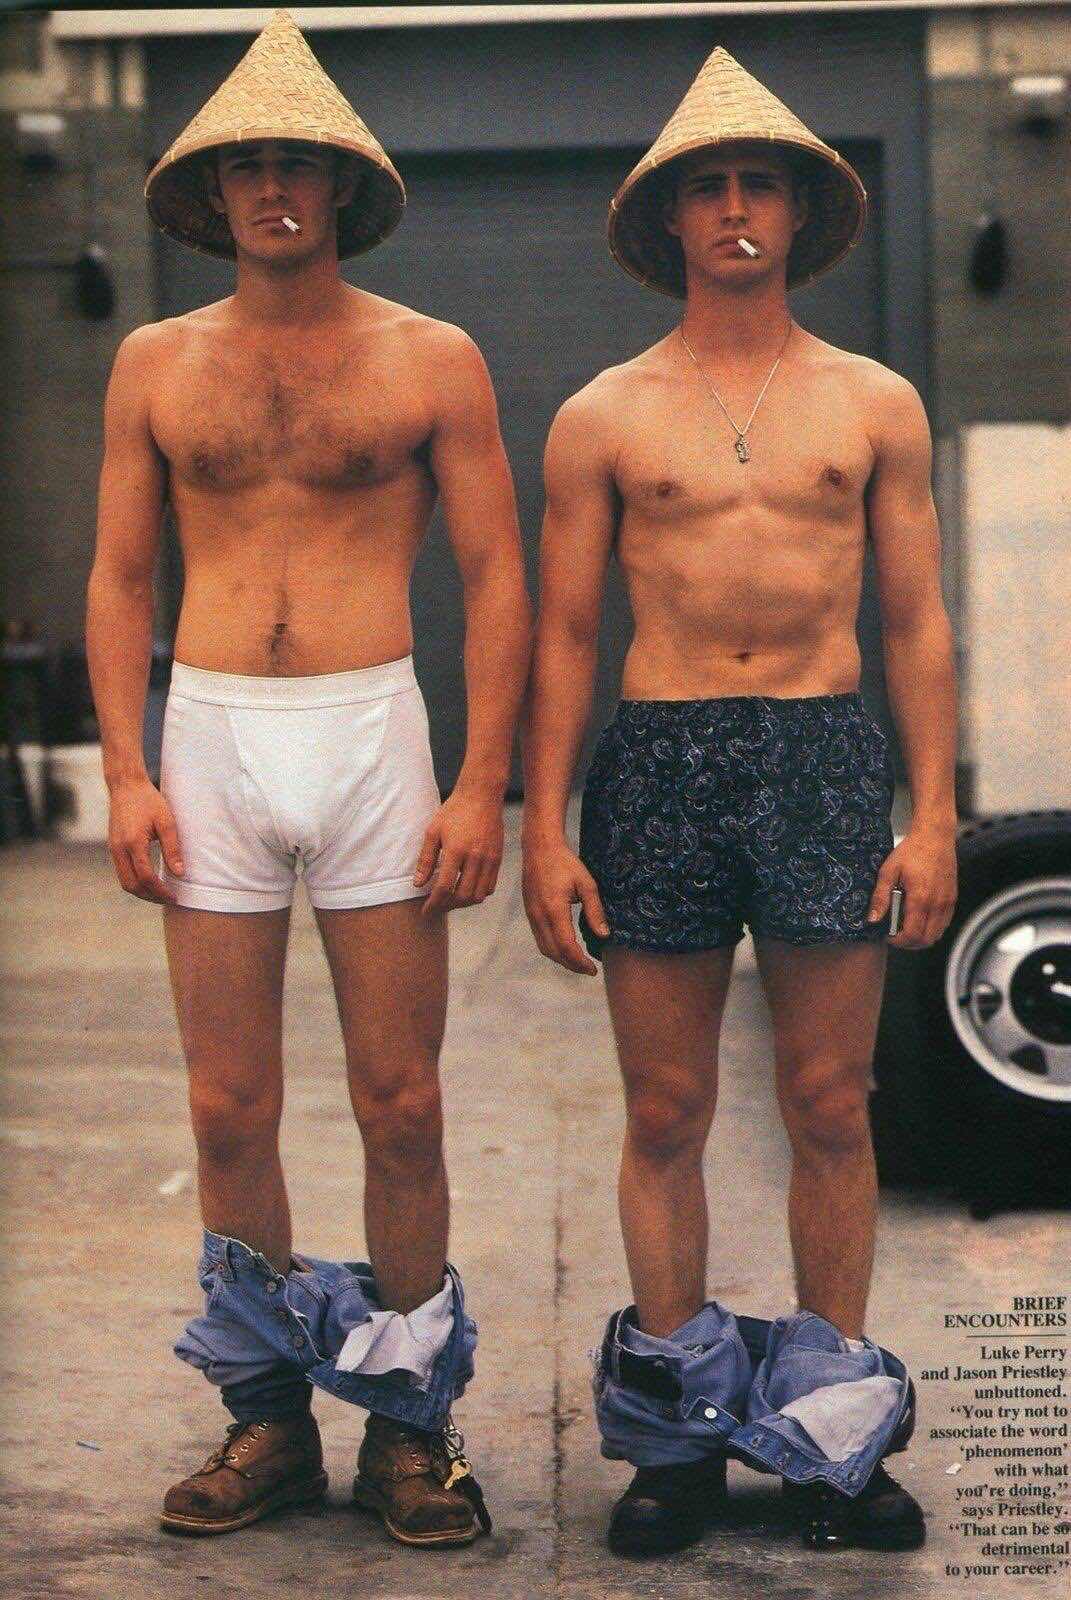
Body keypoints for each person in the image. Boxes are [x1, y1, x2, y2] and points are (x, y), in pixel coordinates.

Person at [87, 10, 530, 1548]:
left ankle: (411, 1430)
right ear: (212, 195)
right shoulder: (154, 363)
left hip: (371, 738)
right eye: (248, 166)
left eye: (299, 163)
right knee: (229, 1108)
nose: (273, 186)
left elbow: (497, 574)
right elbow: (120, 577)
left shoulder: (431, 357)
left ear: (344, 184)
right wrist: (127, 772)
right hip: (210, 737)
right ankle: (267, 1419)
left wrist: (481, 785)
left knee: (400, 1101)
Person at [522, 45, 956, 1556]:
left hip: (825, 757)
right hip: (660, 759)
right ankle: (676, 1444)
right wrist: (543, 825)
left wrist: (933, 815)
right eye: (705, 188)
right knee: (666, 1109)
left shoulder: (874, 402)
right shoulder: (603, 413)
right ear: (670, 220)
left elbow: (916, 621)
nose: (732, 209)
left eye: (756, 183)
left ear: (796, 210)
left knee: (831, 1101)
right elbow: (565, 635)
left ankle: (833, 1437)